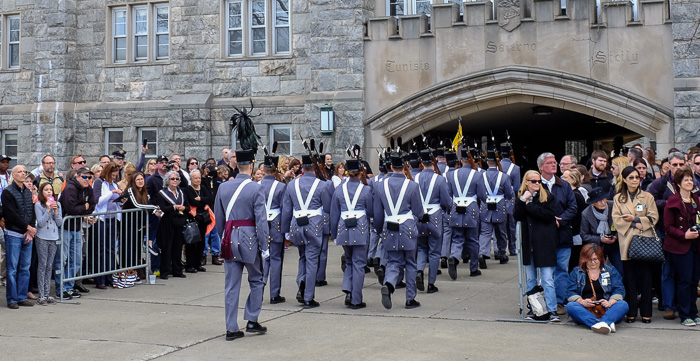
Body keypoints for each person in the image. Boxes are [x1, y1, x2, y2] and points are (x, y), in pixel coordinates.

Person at [214, 148, 269, 341]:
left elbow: (219, 218)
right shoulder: (256, 187)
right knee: (256, 279)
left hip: (229, 238)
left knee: (231, 285)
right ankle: (252, 319)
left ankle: (231, 327)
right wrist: (265, 245)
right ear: (252, 166)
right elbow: (261, 220)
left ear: (237, 165)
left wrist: (223, 239)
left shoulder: (223, 188)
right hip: (250, 238)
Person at [373, 153, 424, 310]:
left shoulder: (380, 185)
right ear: (405, 167)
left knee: (394, 261)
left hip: (389, 226)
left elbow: (378, 213)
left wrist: (380, 229)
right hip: (407, 226)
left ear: (391, 167)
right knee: (410, 263)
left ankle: (388, 285)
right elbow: (419, 211)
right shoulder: (412, 185)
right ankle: (410, 299)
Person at [281, 154, 331, 308]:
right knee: (312, 260)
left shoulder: (292, 185)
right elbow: (328, 208)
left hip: (296, 225)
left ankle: (301, 282)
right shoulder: (322, 185)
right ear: (314, 168)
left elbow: (287, 210)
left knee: (302, 257)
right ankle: (308, 296)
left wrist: (285, 232)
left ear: (302, 167)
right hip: (314, 225)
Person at [613, 166, 659, 323]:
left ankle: (646, 312)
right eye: (631, 177)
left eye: (637, 177)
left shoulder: (647, 197)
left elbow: (653, 217)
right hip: (627, 242)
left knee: (646, 279)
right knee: (630, 279)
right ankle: (631, 311)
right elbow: (617, 219)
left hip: (644, 241)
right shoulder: (618, 198)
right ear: (624, 180)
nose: (634, 180)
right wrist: (634, 223)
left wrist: (636, 219)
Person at [514, 170, 560, 322]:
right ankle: (535, 309)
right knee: (531, 280)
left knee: (547, 279)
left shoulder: (547, 196)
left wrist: (529, 206)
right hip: (529, 243)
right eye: (533, 181)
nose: (537, 184)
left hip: (544, 243)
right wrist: (522, 201)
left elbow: (548, 216)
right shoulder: (521, 196)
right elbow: (517, 216)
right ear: (526, 182)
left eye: (539, 181)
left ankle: (552, 310)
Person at [330, 159, 373, 308]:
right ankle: (356, 299)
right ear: (361, 173)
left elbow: (334, 213)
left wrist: (334, 233)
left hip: (343, 227)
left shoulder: (339, 189)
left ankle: (348, 289)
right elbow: (371, 211)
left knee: (349, 261)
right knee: (359, 264)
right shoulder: (366, 190)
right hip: (360, 228)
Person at [663, 168, 700, 326]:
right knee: (684, 280)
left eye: (691, 179)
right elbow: (668, 227)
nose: (690, 182)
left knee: (694, 280)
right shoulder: (672, 202)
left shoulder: (697, 200)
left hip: (696, 245)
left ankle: (693, 311)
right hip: (679, 246)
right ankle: (685, 315)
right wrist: (683, 235)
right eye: (686, 180)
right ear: (678, 184)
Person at [565, 244, 629, 334]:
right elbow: (570, 292)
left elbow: (619, 290)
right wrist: (582, 301)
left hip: (606, 308)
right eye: (589, 260)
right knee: (571, 306)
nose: (593, 262)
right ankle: (606, 323)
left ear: (600, 258)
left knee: (623, 304)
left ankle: (599, 323)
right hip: (586, 309)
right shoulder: (576, 272)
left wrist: (610, 302)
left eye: (595, 259)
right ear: (584, 259)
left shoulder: (610, 270)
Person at [56, 167, 96, 300]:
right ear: (77, 176)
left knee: (77, 260)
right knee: (63, 259)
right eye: (85, 177)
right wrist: (83, 207)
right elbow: (70, 208)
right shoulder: (70, 188)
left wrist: (83, 209)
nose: (87, 180)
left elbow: (92, 205)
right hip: (65, 228)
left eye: (89, 177)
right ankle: (60, 288)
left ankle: (69, 287)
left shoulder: (87, 188)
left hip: (77, 228)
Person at [415, 149, 451, 293]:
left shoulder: (415, 178)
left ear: (422, 163)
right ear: (433, 162)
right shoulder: (440, 179)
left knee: (421, 248)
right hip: (435, 215)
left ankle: (419, 271)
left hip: (419, 215)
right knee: (435, 251)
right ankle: (431, 284)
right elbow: (446, 201)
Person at [3, 165, 37, 309]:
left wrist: (30, 230)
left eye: (25, 172)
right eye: (20, 172)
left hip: (26, 234)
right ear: (13, 175)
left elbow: (30, 211)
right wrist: (27, 228)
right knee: (12, 269)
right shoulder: (7, 192)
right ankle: (12, 299)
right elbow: (11, 214)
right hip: (13, 233)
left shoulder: (27, 191)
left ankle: (22, 296)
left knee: (25, 267)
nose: (23, 174)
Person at [446, 147, 482, 278]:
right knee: (472, 240)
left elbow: (449, 194)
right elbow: (482, 194)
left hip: (456, 206)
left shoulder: (451, 174)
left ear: (460, 160)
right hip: (471, 207)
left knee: (457, 238)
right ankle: (473, 269)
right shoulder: (477, 174)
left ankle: (454, 257)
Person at [477, 148, 514, 267]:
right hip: (500, 205)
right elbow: (509, 194)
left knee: (485, 232)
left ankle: (483, 253)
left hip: (486, 205)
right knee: (501, 232)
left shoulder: (481, 176)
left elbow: (480, 193)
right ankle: (502, 254)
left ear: (487, 162)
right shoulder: (504, 177)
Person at [122, 171, 161, 281]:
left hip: (139, 222)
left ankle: (149, 241)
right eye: (138, 179)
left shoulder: (144, 192)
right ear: (134, 181)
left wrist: (155, 210)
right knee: (129, 249)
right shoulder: (130, 190)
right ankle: (129, 272)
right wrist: (153, 207)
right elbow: (137, 205)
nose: (140, 181)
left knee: (156, 218)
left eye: (142, 179)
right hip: (129, 223)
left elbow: (146, 206)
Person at [154, 170, 190, 279]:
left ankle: (177, 270)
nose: (175, 181)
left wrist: (184, 208)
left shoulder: (182, 193)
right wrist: (174, 207)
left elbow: (188, 207)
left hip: (179, 222)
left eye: (176, 179)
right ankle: (165, 271)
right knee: (167, 247)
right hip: (167, 223)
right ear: (167, 180)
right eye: (172, 179)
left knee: (178, 248)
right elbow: (161, 207)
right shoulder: (162, 193)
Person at [261, 154, 287, 304]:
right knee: (276, 259)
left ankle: (260, 289)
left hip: (261, 224)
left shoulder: (256, 185)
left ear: (263, 169)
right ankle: (274, 294)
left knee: (263, 259)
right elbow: (284, 209)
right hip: (276, 223)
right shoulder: (281, 186)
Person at [92, 162, 123, 289]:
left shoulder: (114, 184)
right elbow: (98, 201)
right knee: (101, 249)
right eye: (113, 175)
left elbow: (114, 201)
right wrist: (112, 193)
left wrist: (121, 199)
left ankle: (110, 275)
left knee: (111, 248)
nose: (114, 177)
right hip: (101, 218)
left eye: (116, 175)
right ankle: (100, 278)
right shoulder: (99, 182)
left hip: (113, 217)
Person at [580, 188, 622, 275]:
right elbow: (584, 235)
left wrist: (616, 236)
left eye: (604, 199)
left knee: (620, 270)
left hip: (615, 244)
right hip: (597, 246)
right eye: (599, 201)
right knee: (599, 272)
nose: (603, 202)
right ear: (593, 203)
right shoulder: (586, 213)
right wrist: (600, 239)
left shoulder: (614, 206)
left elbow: (622, 225)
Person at [34, 183, 62, 305]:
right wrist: (48, 209)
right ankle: (41, 295)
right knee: (42, 265)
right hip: (42, 237)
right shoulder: (38, 205)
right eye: (46, 190)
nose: (49, 192)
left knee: (49, 265)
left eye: (51, 190)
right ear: (41, 192)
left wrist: (55, 210)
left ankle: (47, 293)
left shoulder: (58, 204)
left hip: (53, 237)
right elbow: (40, 223)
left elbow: (60, 222)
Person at [183, 169, 211, 274]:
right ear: (191, 179)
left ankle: (198, 264)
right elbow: (192, 201)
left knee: (202, 242)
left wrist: (201, 199)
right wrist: (202, 202)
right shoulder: (187, 190)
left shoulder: (203, 188)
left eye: (199, 178)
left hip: (203, 219)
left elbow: (209, 198)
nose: (198, 180)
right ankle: (190, 265)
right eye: (195, 178)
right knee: (192, 243)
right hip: (193, 219)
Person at [562, 169, 587, 272]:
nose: (562, 179)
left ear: (572, 180)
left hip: (575, 235)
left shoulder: (575, 195)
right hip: (575, 235)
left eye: (565, 177)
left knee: (573, 264)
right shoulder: (573, 193)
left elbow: (576, 216)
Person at [500, 144, 521, 258]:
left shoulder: (497, 166)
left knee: (499, 227)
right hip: (510, 199)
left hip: (497, 199)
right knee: (511, 226)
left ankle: (500, 248)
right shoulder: (515, 168)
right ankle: (512, 248)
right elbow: (517, 187)